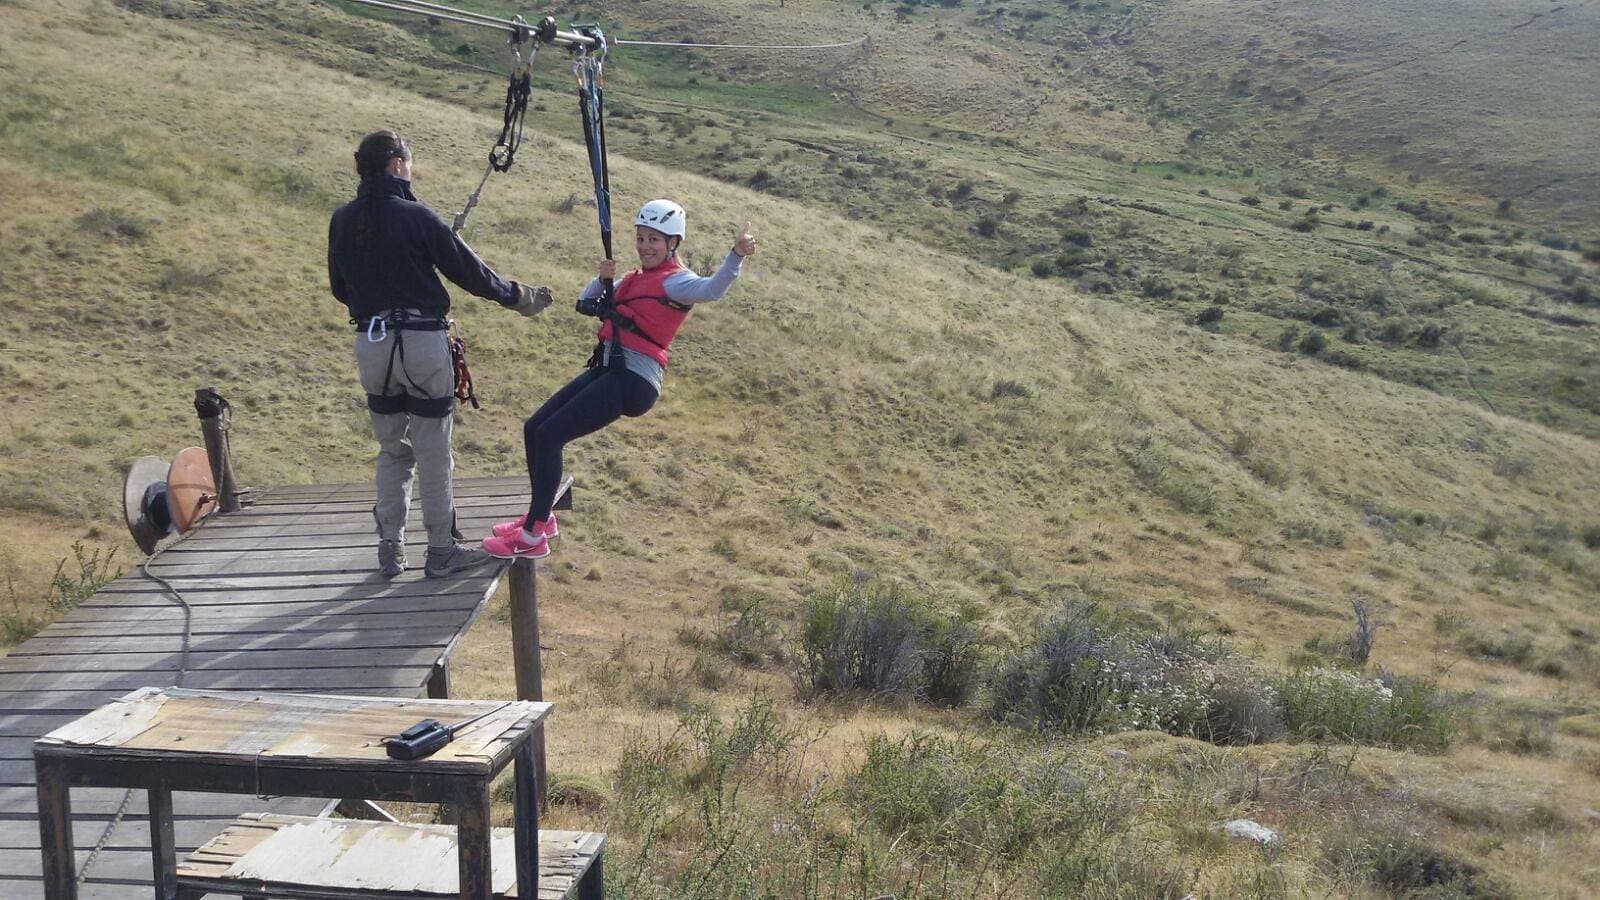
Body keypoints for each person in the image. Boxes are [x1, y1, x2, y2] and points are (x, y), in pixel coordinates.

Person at [328, 129, 552, 578]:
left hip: (372, 346)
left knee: (393, 451)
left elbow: (339, 289)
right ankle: (440, 550)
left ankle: (390, 548)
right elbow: (473, 275)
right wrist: (523, 298)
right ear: (397, 165)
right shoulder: (417, 217)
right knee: (433, 451)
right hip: (422, 345)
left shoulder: (342, 219)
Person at [482, 200, 758, 559]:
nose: (645, 246)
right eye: (641, 238)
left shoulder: (676, 281)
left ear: (673, 243)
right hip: (611, 368)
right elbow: (584, 301)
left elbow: (711, 289)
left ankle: (532, 536)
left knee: (550, 436)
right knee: (535, 428)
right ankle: (541, 518)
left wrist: (736, 256)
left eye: (654, 240)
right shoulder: (632, 278)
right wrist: (602, 278)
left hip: (633, 379)